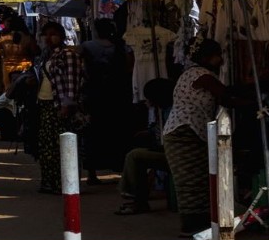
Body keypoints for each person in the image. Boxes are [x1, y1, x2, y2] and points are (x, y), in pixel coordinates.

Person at [162, 41, 229, 235]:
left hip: (188, 132)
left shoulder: (195, 74)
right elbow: (225, 95)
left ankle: (198, 222)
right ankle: (192, 225)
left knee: (197, 178)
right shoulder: (201, 75)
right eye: (218, 55)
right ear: (207, 57)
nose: (221, 60)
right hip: (184, 132)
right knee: (190, 180)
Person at [34, 21, 87, 194]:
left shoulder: (68, 55)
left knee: (61, 146)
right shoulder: (46, 55)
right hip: (45, 103)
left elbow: (72, 81)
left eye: (53, 34)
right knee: (47, 145)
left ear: (62, 36)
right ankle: (49, 181)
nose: (49, 38)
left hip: (61, 105)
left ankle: (63, 183)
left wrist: (67, 105)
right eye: (46, 35)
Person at [81, 17, 132, 183]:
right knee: (117, 132)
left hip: (95, 95)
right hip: (117, 94)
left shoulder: (87, 47)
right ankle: (120, 169)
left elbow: (81, 69)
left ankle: (92, 174)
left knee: (92, 133)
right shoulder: (120, 46)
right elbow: (129, 68)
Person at [115, 78, 176, 215]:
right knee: (135, 153)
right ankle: (136, 196)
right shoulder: (162, 111)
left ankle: (136, 198)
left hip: (172, 153)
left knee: (134, 156)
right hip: (165, 149)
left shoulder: (171, 111)